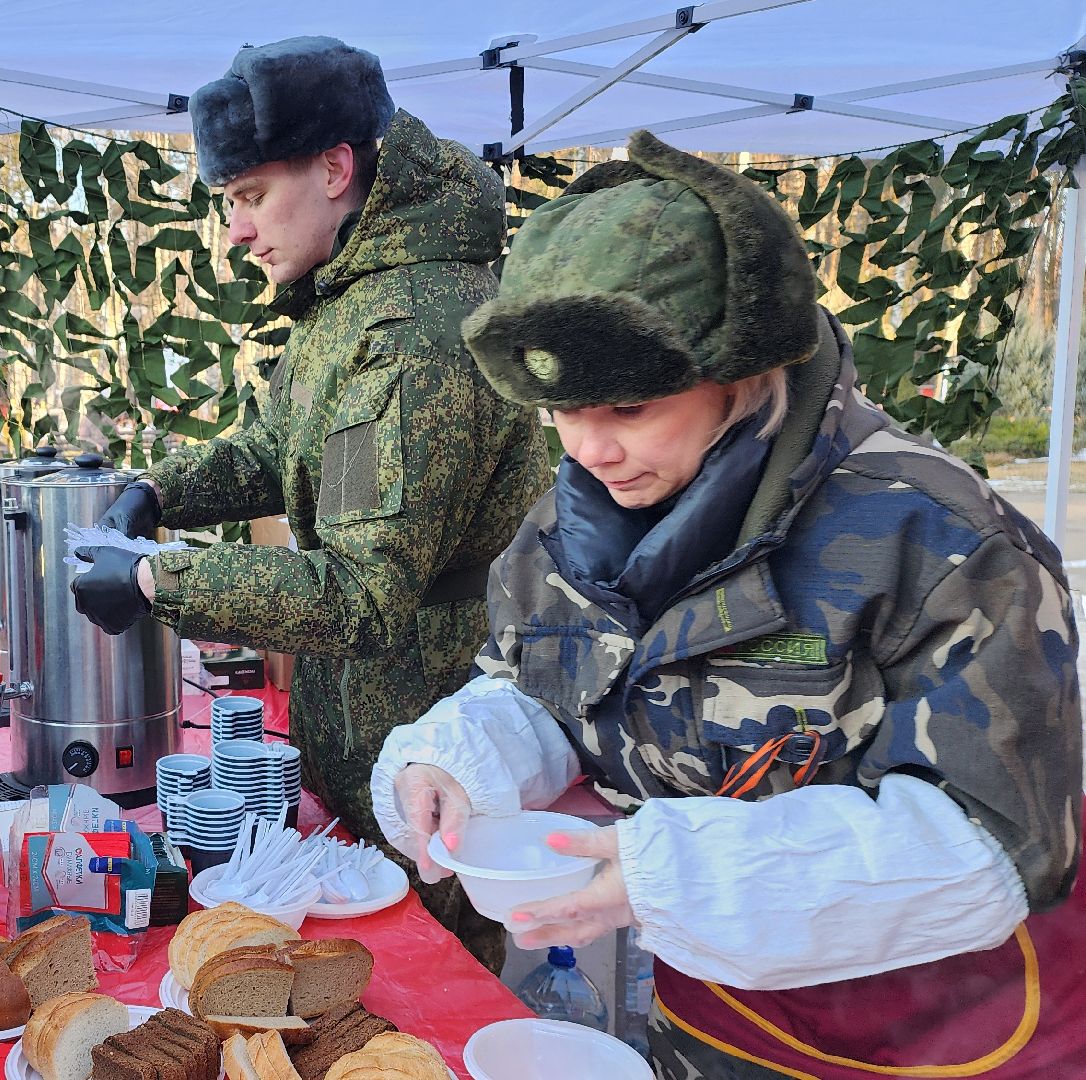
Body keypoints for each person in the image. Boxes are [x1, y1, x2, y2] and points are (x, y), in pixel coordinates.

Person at [371, 131, 1085, 1076]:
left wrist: (678, 874)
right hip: (715, 1018)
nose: (588, 449)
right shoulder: (573, 521)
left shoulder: (939, 540)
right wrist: (464, 764)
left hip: (942, 1028)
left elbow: (994, 842)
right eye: (562, 413)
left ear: (743, 378)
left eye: (627, 410)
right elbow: (545, 682)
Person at [69, 35, 549, 968]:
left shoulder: (416, 333)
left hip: (427, 771)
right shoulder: (353, 300)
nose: (237, 231)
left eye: (251, 197)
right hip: (368, 753)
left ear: (336, 168)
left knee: (410, 1020)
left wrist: (162, 579)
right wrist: (157, 491)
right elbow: (274, 448)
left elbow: (364, 596)